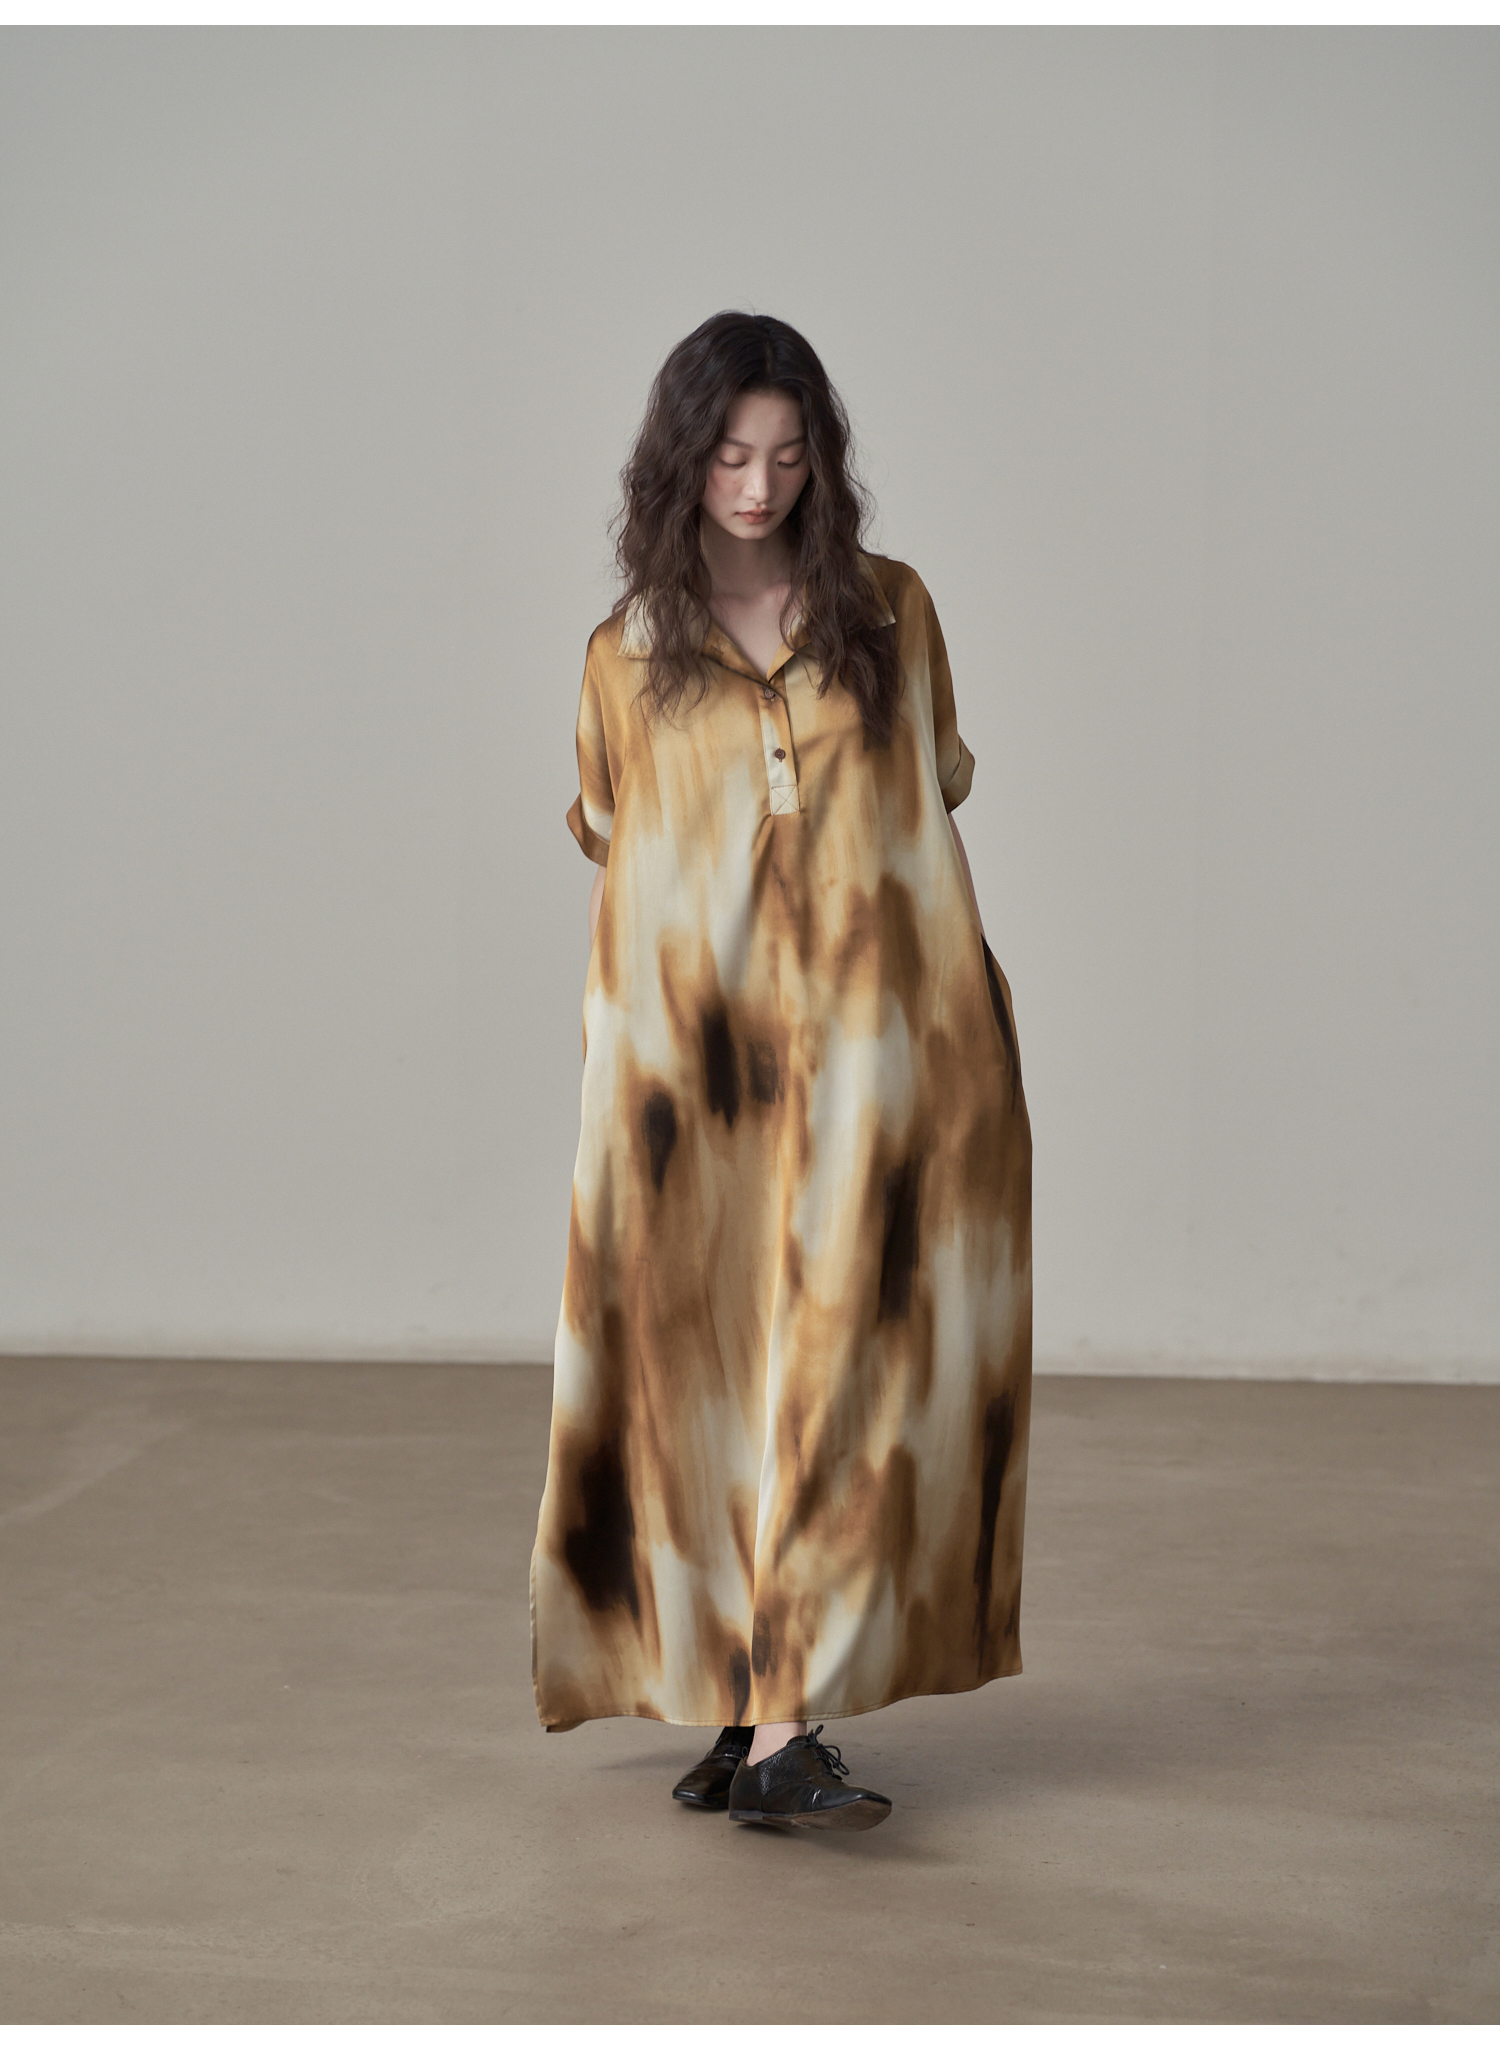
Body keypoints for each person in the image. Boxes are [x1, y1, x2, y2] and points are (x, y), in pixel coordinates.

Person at [530, 311, 1031, 1833]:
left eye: (790, 456)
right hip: (689, 1090)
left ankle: (785, 1723)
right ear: (680, 461)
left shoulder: (892, 612)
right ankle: (750, 1703)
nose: (759, 487)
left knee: (844, 1368)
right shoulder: (625, 655)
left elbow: (931, 796)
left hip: (882, 1060)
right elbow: (615, 842)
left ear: (824, 462)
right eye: (731, 456)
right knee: (712, 1381)